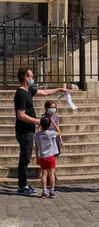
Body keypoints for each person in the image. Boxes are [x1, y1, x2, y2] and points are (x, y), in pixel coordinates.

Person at [14, 68, 68, 196]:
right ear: (25, 77)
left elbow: (45, 92)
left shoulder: (28, 91)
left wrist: (60, 90)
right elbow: (21, 115)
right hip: (24, 131)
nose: (33, 78)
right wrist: (37, 121)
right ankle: (22, 186)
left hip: (29, 129)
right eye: (31, 76)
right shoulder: (21, 94)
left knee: (25, 157)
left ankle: (23, 184)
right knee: (25, 158)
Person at [34, 116, 60, 198]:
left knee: (44, 174)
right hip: (51, 156)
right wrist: (54, 123)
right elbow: (59, 132)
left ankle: (44, 191)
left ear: (41, 124)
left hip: (42, 156)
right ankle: (52, 191)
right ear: (49, 125)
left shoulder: (37, 135)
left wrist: (37, 157)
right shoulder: (51, 133)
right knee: (51, 174)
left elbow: (36, 147)